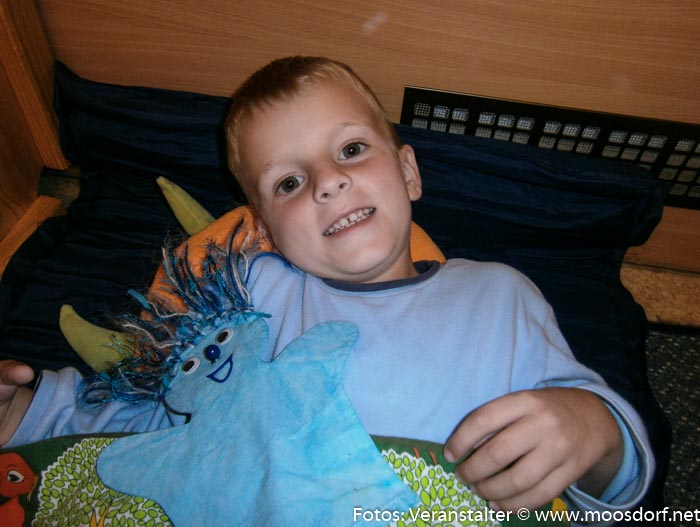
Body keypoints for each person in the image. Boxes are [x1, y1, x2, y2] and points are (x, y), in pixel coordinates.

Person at [0, 56, 652, 516]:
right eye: (288, 182)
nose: (327, 181)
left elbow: (610, 478)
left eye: (350, 150)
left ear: (409, 172)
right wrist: (27, 412)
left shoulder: (498, 294)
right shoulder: (252, 298)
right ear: (264, 230)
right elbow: (162, 420)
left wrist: (594, 430)